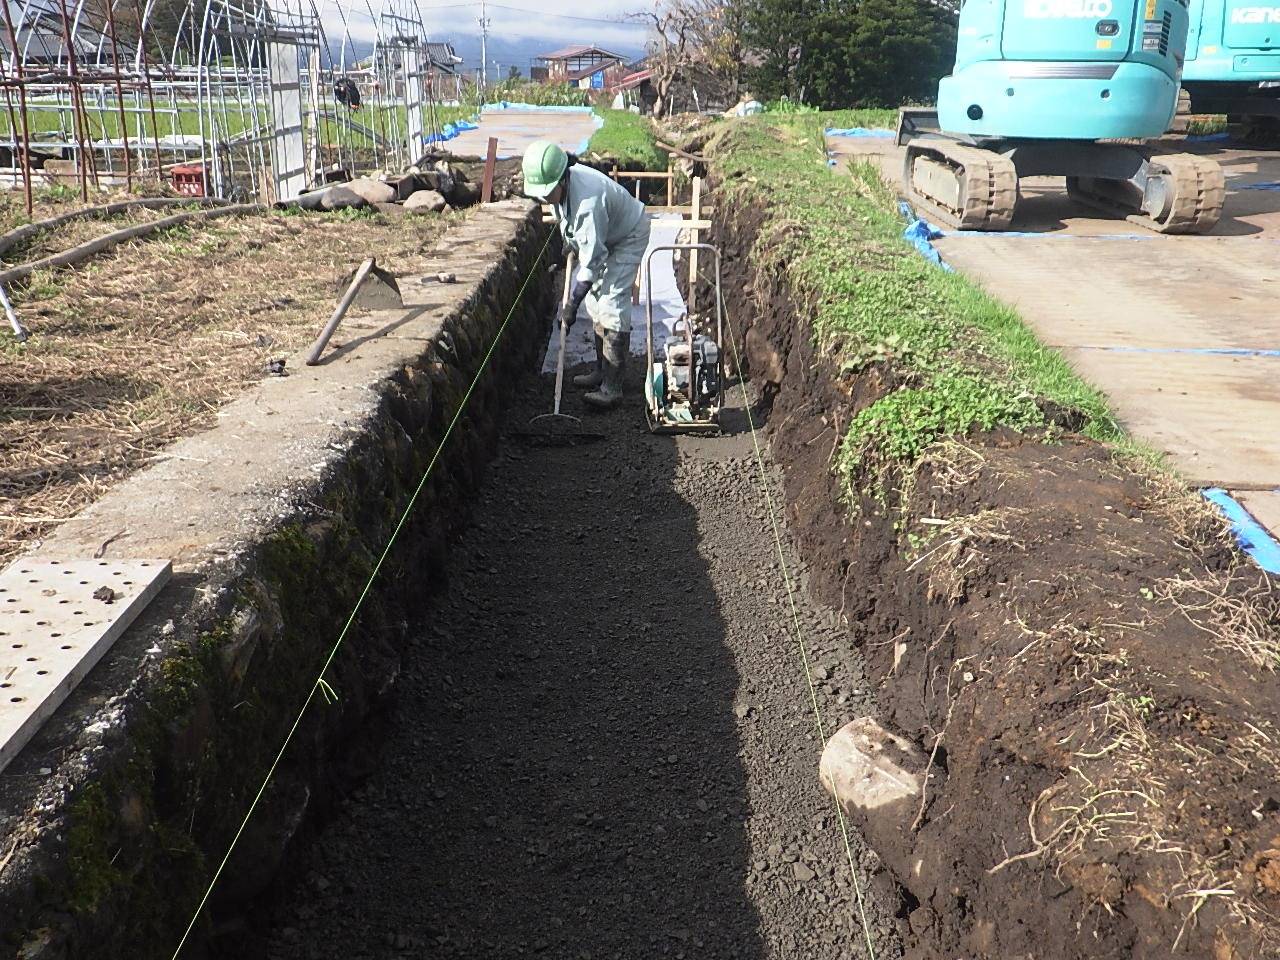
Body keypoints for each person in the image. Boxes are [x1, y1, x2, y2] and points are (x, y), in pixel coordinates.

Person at [521, 140, 651, 410]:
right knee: (595, 303)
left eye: (547, 193)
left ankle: (612, 387)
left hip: (628, 234)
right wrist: (570, 243)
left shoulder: (588, 203)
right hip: (607, 234)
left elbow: (591, 262)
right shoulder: (563, 188)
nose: (544, 199)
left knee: (612, 301)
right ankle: (601, 370)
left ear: (561, 180)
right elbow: (567, 223)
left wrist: (571, 305)